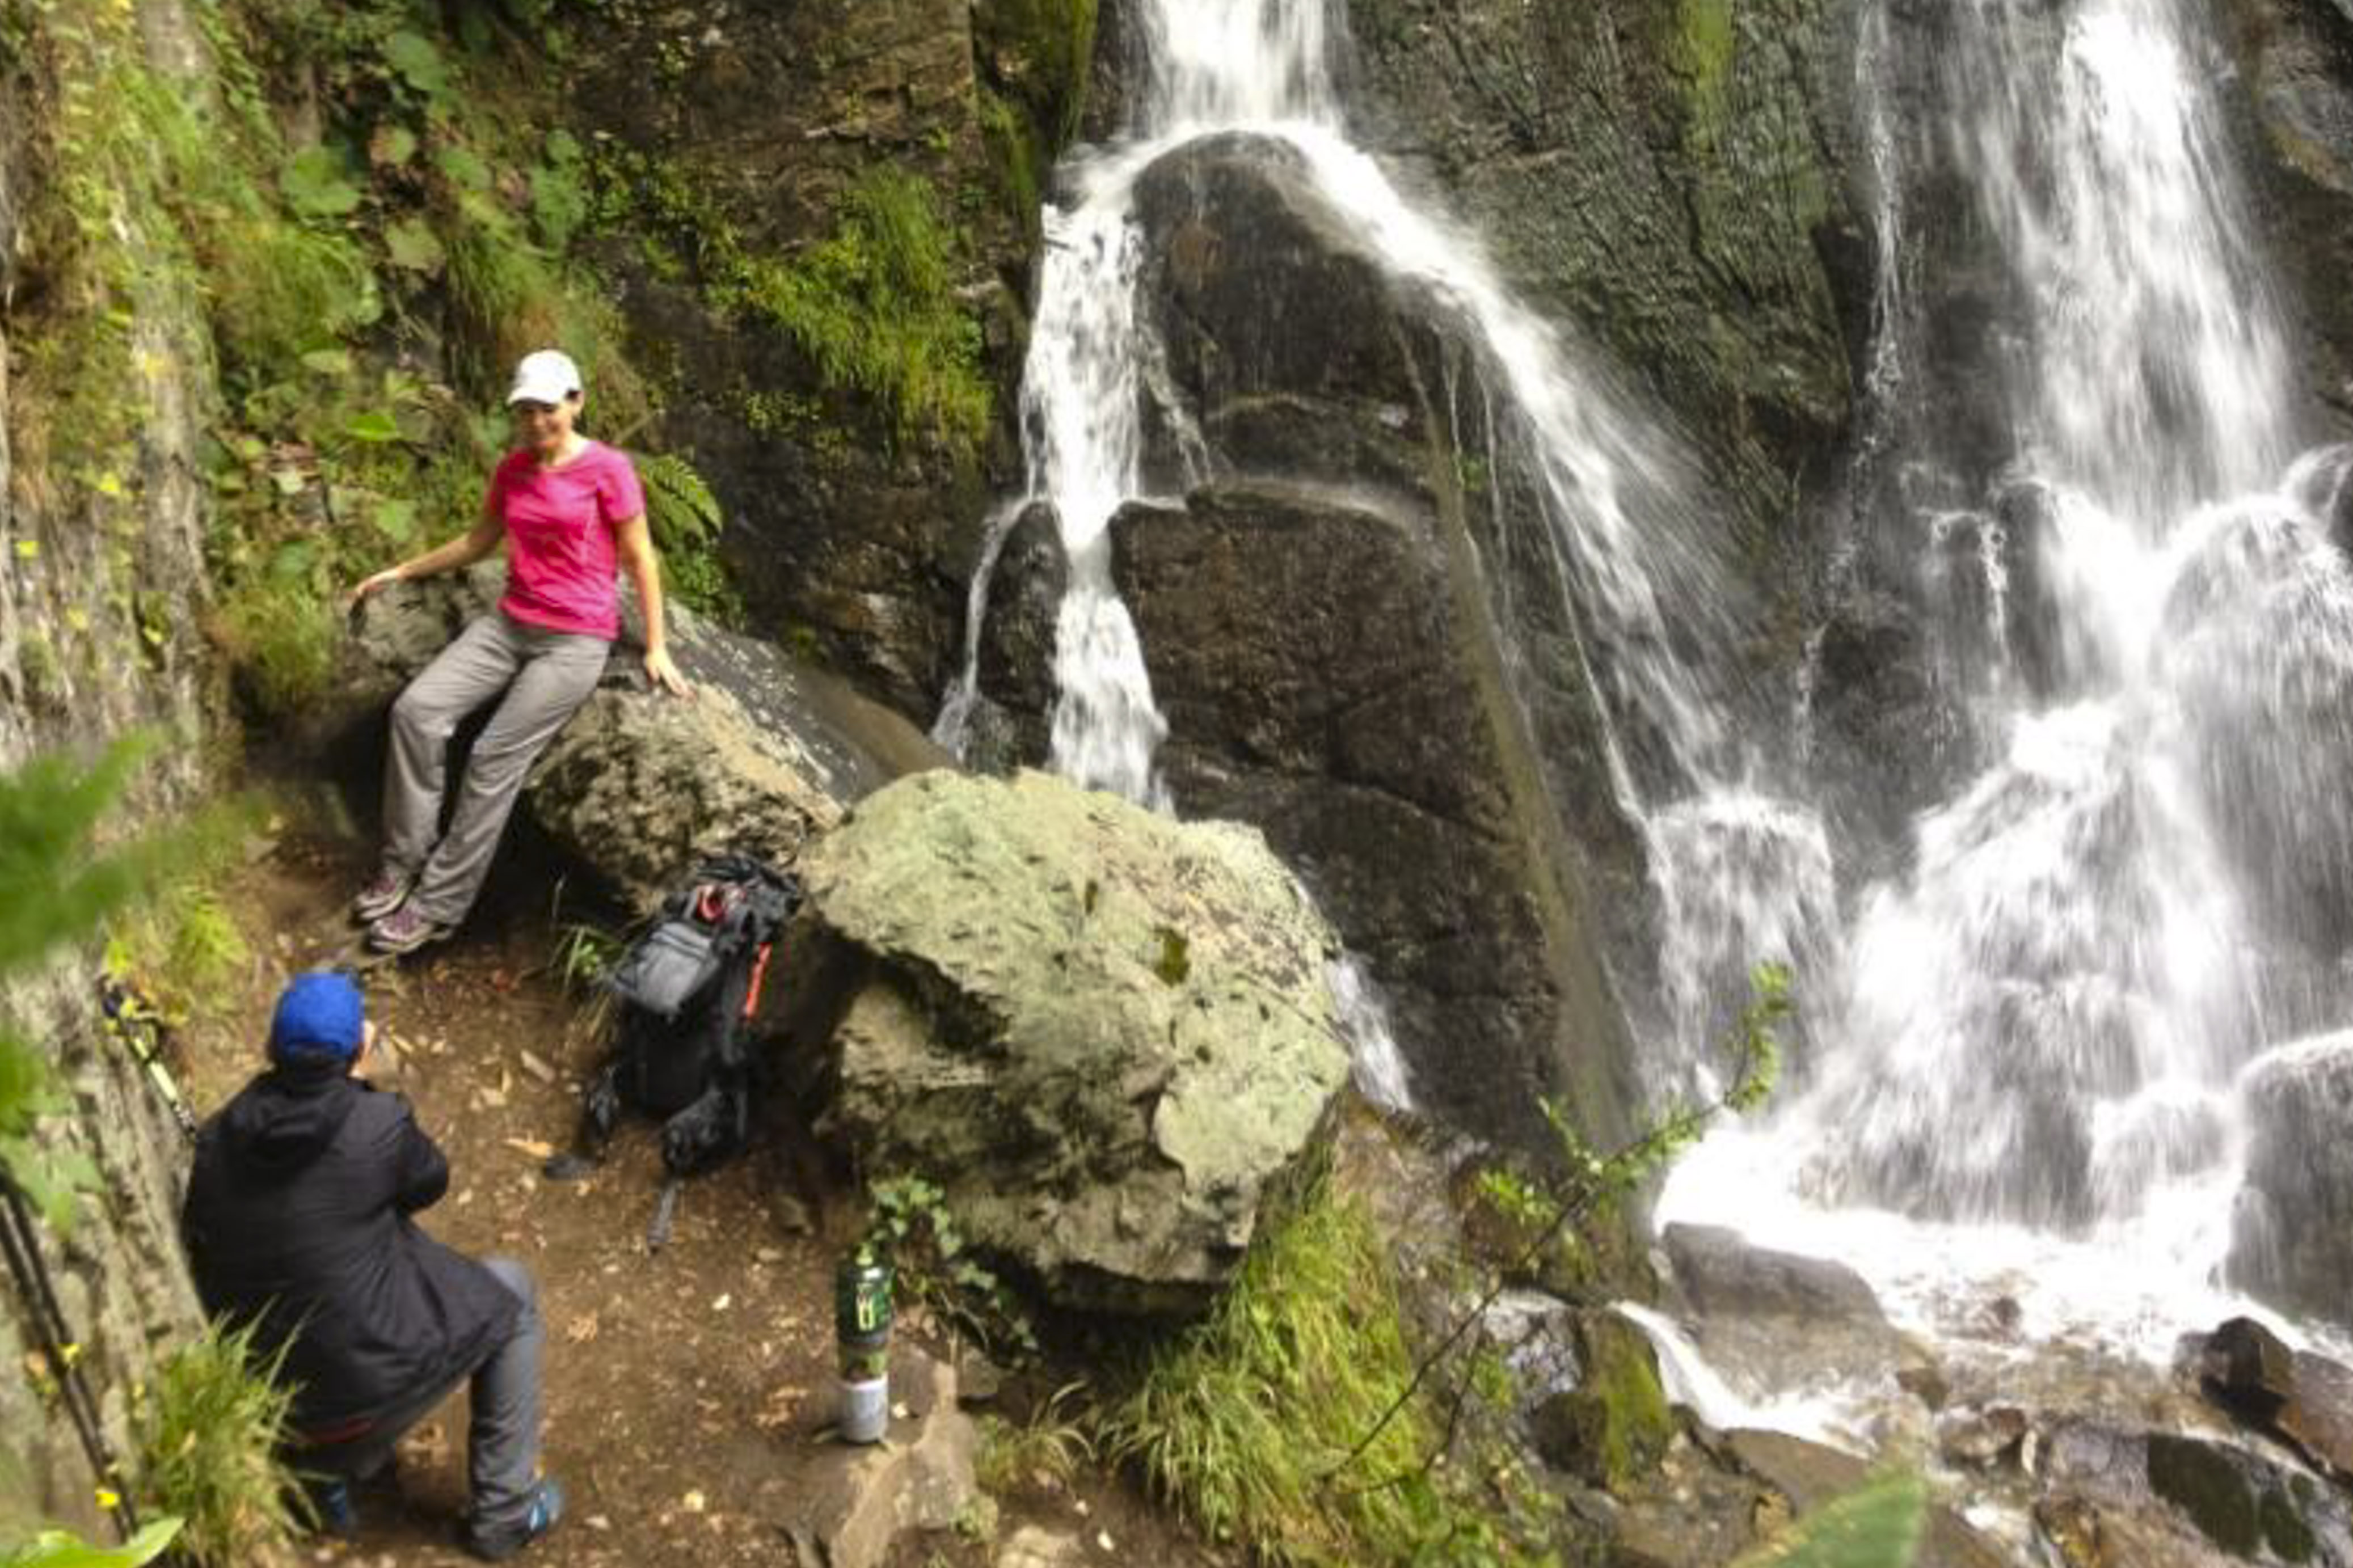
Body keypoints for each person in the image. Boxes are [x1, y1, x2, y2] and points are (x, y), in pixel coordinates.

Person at [181, 973, 562, 1560]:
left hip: (273, 1410)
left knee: (332, 1267)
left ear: (272, 1050)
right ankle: (505, 1513)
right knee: (511, 1292)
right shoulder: (376, 1125)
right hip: (363, 1396)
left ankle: (326, 1479)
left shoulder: (216, 1137)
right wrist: (366, 1091)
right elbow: (429, 1179)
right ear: (355, 1052)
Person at [347, 348, 692, 955]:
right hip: (510, 623)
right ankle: (403, 861)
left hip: (575, 638)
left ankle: (437, 905)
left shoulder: (608, 469)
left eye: (548, 407)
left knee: (491, 758)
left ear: (576, 402)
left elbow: (641, 557)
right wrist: (402, 570)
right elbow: (479, 541)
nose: (537, 421)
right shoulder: (513, 470)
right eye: (526, 410)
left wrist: (657, 645)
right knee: (417, 711)